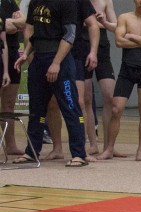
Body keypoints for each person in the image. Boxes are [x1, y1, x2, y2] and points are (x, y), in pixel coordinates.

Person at [13, 0, 91, 167]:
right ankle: (32, 151)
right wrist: (26, 54)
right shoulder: (35, 2)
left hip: (59, 59)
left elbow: (69, 35)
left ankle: (79, 154)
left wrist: (56, 63)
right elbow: (35, 35)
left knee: (70, 106)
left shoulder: (66, 3)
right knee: (36, 109)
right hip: (39, 58)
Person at [102, 0, 141, 161]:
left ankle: (140, 151)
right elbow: (119, 41)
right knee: (116, 109)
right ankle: (109, 149)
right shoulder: (124, 18)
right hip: (127, 68)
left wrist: (132, 36)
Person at [70, 0, 99, 156]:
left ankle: (89, 144)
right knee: (53, 104)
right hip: (53, 52)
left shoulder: (81, 2)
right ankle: (57, 148)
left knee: (83, 100)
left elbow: (93, 24)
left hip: (78, 52)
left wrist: (93, 52)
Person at [88, 0, 118, 156]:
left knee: (110, 97)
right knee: (85, 99)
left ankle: (108, 145)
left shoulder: (106, 1)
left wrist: (103, 22)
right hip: (83, 41)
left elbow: (117, 27)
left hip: (102, 46)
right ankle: (92, 143)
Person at [0, 0, 21, 156]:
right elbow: (6, 28)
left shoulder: (8, 2)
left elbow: (21, 24)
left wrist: (10, 22)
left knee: (9, 104)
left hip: (11, 55)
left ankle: (11, 145)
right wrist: (10, 24)